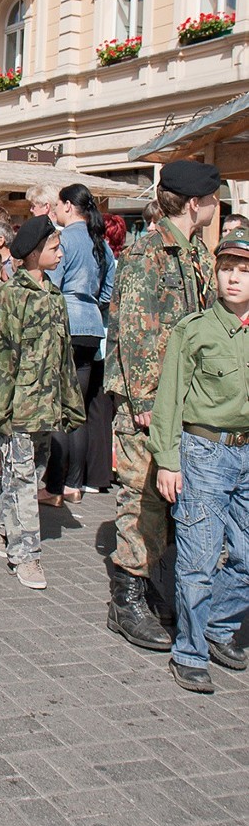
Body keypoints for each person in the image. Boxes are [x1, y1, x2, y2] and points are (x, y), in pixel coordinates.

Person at [104, 159, 219, 651]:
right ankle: (125, 598)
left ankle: (155, 580)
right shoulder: (150, 251)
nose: (218, 205)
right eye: (213, 198)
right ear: (195, 203)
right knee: (140, 494)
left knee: (167, 498)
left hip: (184, 397)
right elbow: (134, 329)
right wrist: (147, 400)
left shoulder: (193, 252)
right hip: (147, 402)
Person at [147, 227, 249, 693]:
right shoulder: (196, 330)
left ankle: (218, 627)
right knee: (198, 560)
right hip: (204, 452)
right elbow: (169, 399)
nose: (234, 279)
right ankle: (189, 650)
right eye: (227, 268)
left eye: (244, 271)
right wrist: (168, 461)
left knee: (246, 557)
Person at [0, 215, 85, 590]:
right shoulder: (11, 297)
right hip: (19, 408)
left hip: (47, 407)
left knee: (33, 472)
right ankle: (26, 556)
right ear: (35, 254)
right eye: (54, 247)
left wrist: (70, 402)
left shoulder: (54, 295)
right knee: (23, 482)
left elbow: (63, 356)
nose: (61, 252)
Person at [41, 184, 115, 505]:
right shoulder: (102, 244)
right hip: (92, 327)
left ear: (69, 206)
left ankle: (55, 487)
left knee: (60, 408)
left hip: (66, 323)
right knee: (79, 409)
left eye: (57, 205)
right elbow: (107, 292)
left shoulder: (64, 241)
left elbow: (51, 285)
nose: (55, 210)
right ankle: (75, 485)